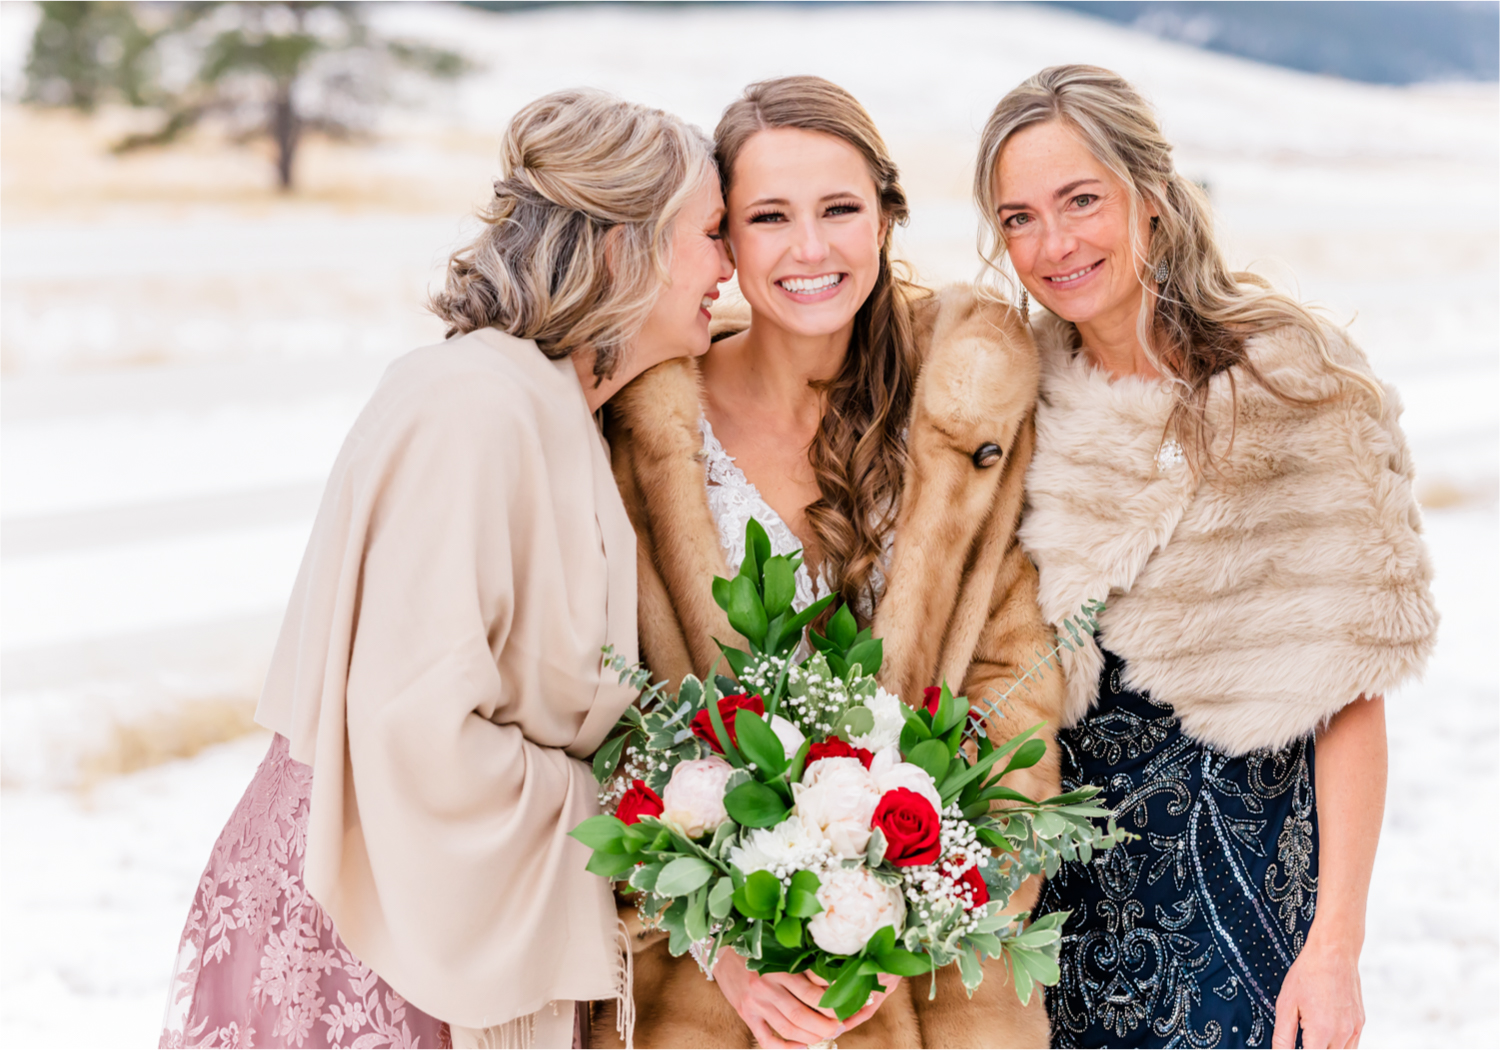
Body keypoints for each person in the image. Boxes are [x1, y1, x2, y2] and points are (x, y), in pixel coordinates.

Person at [159, 88, 733, 1050]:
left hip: (442, 898)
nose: (728, 266)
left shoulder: (551, 406)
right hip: (381, 917)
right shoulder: (473, 408)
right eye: (711, 234)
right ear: (621, 248)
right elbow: (415, 726)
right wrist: (638, 810)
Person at [592, 75, 1063, 1050]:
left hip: (935, 989)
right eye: (770, 216)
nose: (810, 249)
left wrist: (906, 919)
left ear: (885, 217)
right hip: (704, 996)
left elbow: (1012, 688)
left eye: (840, 209)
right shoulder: (639, 438)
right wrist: (722, 936)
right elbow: (604, 708)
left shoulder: (964, 424)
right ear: (724, 239)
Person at [973, 65, 1439, 1049]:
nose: (1053, 244)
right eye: (1018, 218)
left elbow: (1351, 698)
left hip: (1246, 912)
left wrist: (1335, 948)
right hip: (1049, 923)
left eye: (1080, 200)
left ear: (1150, 190)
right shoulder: (1009, 398)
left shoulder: (1295, 384)